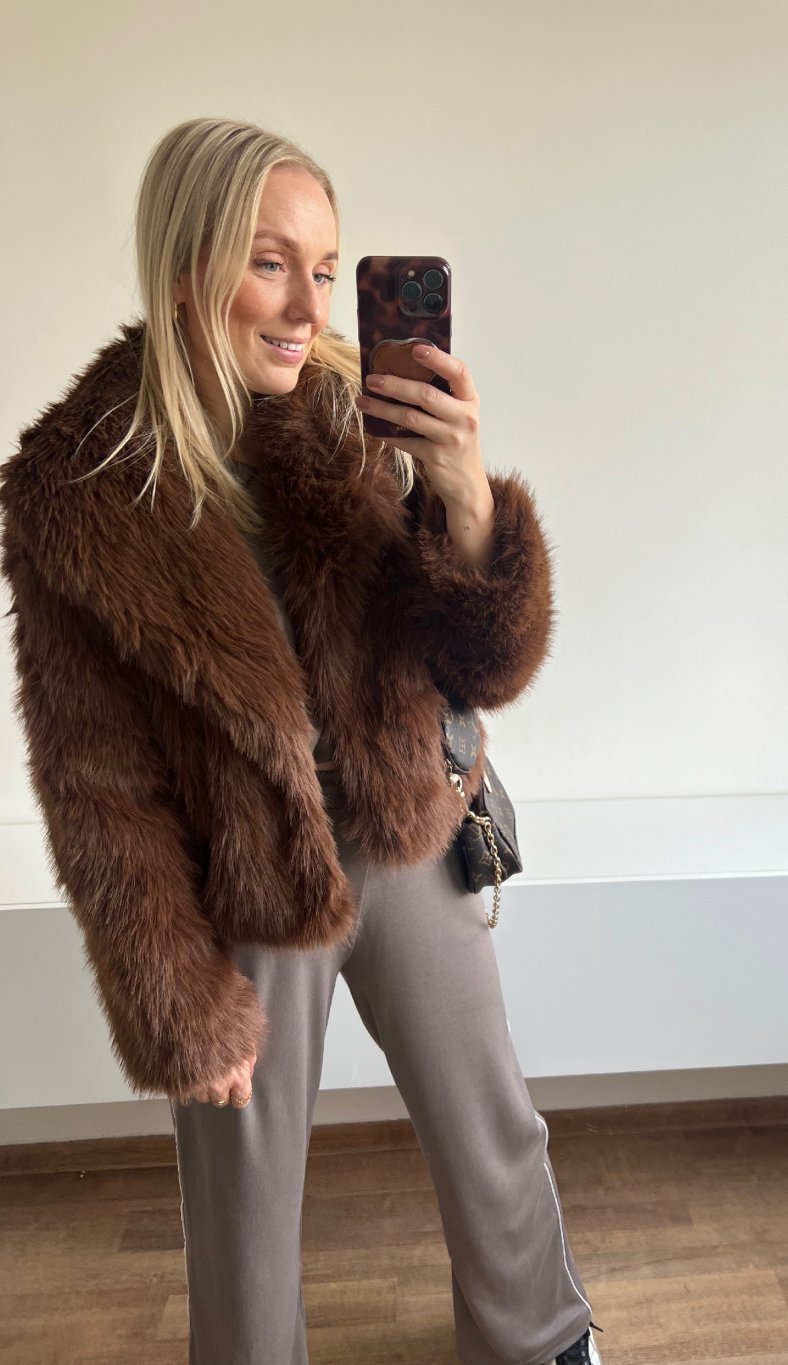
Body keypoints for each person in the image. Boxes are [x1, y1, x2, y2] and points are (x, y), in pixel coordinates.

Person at [0, 117, 604, 1365]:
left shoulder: (351, 410)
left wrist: (464, 491)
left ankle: (543, 1343)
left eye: (323, 269)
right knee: (244, 1196)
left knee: (493, 1128)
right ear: (187, 267)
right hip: (248, 883)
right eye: (269, 263)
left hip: (404, 828)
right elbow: (95, 785)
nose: (304, 307)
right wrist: (178, 1002)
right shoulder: (77, 490)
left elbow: (481, 664)